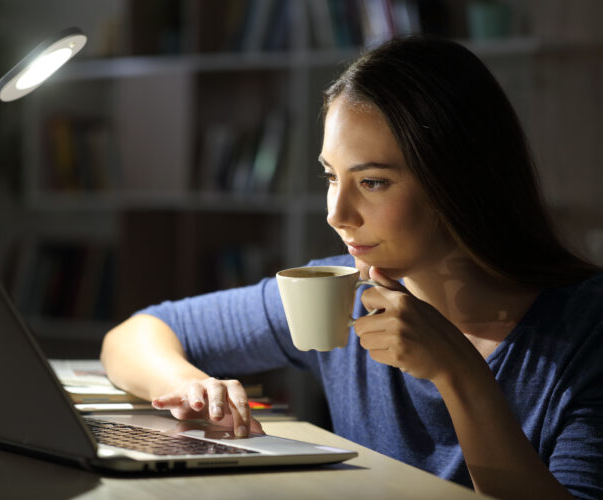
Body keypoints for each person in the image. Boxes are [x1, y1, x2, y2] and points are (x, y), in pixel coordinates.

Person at [101, 35, 603, 499]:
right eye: (330, 176)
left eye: (373, 182)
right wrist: (191, 385)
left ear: (459, 183)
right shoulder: (340, 290)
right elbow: (135, 334)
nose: (335, 213)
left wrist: (459, 374)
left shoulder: (587, 329)